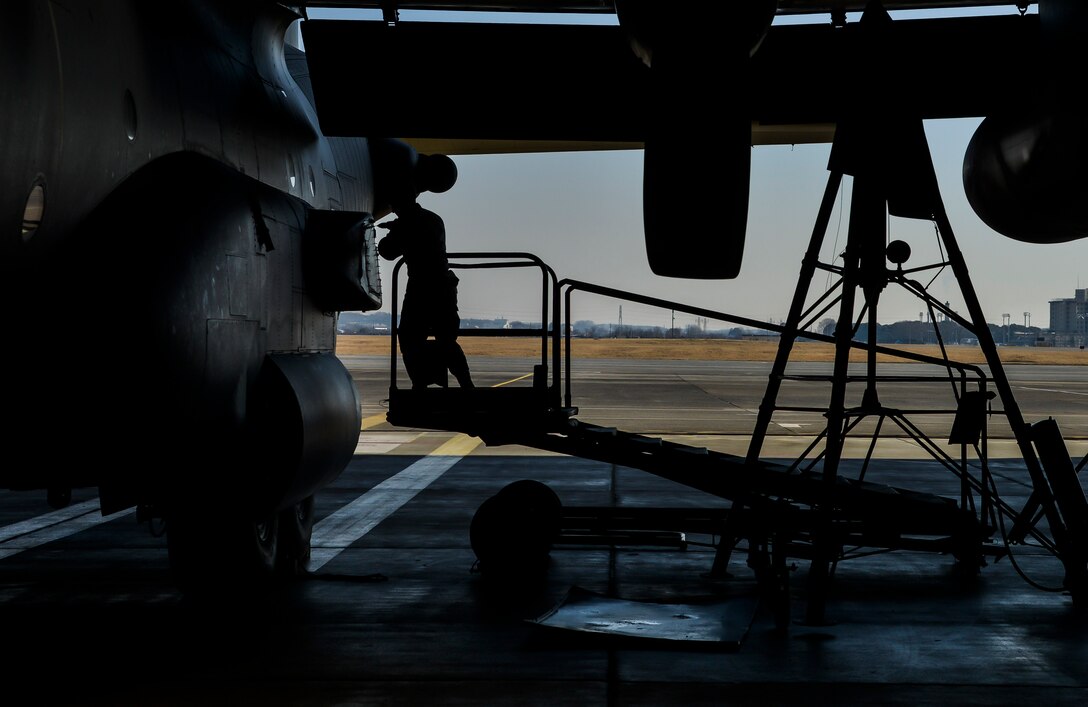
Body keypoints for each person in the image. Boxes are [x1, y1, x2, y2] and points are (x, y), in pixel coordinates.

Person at [378, 198, 474, 391]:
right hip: (442, 288)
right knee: (446, 341)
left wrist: (394, 231)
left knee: (408, 338)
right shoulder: (433, 219)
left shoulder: (407, 224)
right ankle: (467, 387)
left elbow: (387, 251)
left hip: (422, 290)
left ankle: (420, 384)